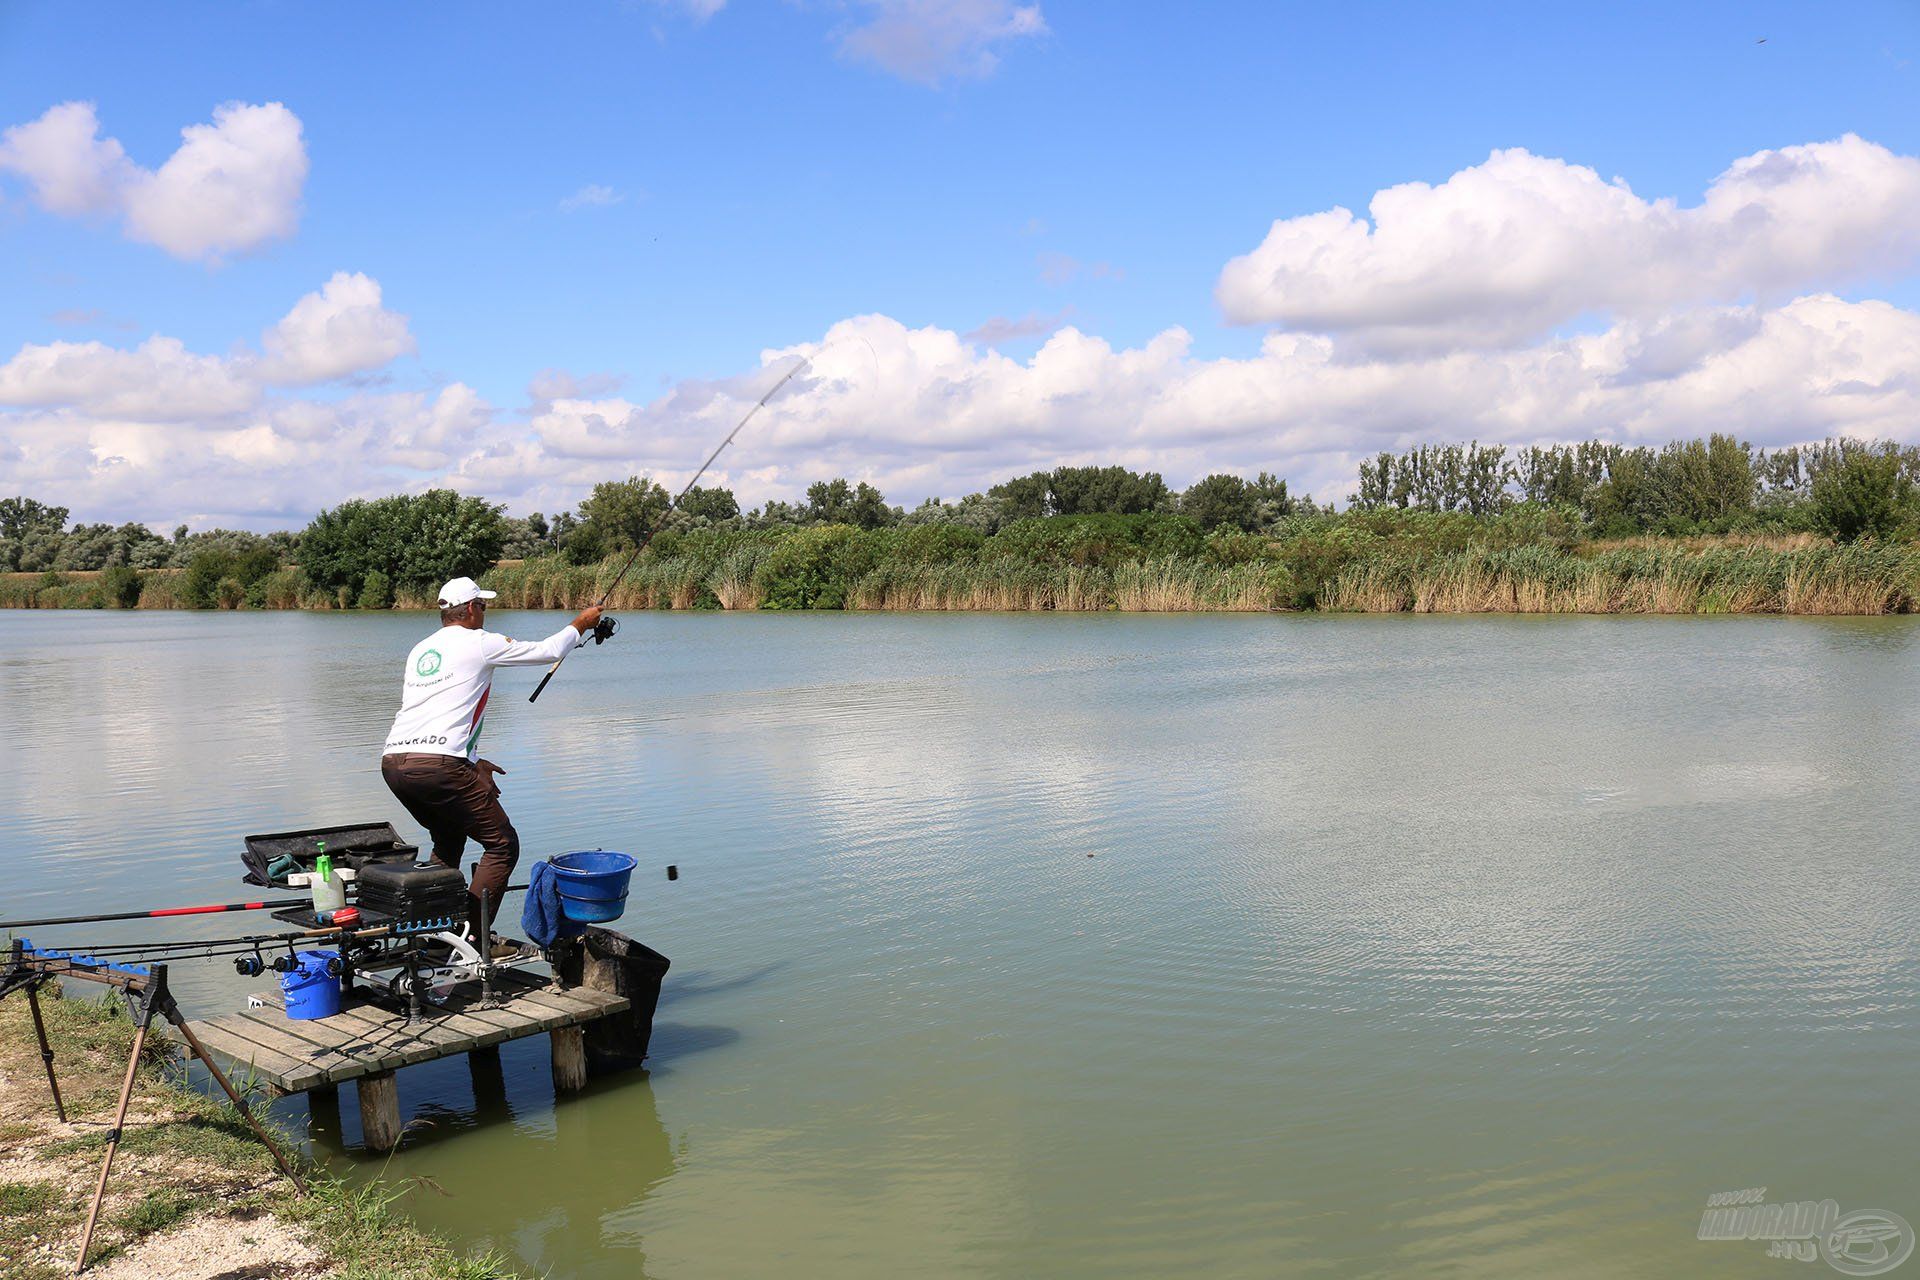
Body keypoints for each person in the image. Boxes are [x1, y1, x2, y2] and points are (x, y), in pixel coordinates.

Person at [381, 575, 602, 943]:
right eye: (483, 605)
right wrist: (581, 624)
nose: (485, 611)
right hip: (439, 766)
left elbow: (437, 714)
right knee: (501, 844)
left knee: (449, 840)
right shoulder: (479, 642)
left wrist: (473, 760)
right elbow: (548, 651)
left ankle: (435, 931)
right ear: (470, 609)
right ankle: (472, 938)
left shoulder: (421, 650)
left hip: (395, 763)